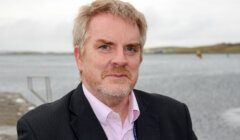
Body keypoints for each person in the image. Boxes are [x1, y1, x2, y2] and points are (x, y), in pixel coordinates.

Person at [17, 0, 197, 139]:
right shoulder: (40, 130)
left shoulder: (174, 116)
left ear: (140, 57)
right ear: (79, 57)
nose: (120, 60)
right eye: (105, 47)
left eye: (131, 48)